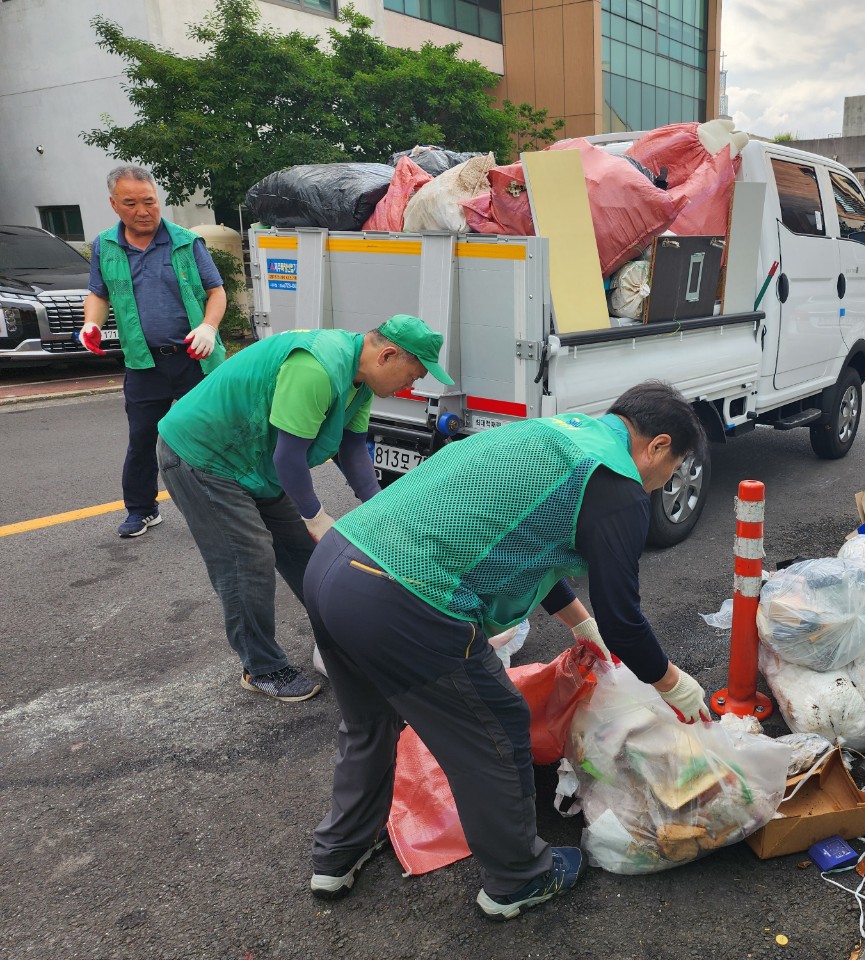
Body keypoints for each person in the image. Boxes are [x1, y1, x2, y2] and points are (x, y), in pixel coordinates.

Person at [303, 380, 711, 919]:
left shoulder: (558, 436)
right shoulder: (617, 484)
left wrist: (580, 624)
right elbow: (626, 620)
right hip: (403, 596)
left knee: (369, 723)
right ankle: (518, 878)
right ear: (658, 446)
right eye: (673, 468)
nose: (664, 484)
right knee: (495, 728)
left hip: (336, 564)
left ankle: (337, 855)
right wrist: (673, 683)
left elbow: (528, 543)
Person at [156, 315, 452, 703]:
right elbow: (290, 457)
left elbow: (351, 450)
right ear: (389, 355)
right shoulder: (316, 367)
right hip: (205, 456)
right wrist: (315, 515)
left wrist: (384, 509)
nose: (411, 386)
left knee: (311, 557)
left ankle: (346, 641)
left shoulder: (358, 383)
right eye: (412, 375)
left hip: (254, 462)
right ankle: (261, 668)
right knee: (247, 559)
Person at [80, 164, 228, 538]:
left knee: (212, 436)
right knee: (142, 439)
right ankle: (143, 510)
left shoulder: (185, 241)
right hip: (144, 363)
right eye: (131, 203)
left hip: (195, 359)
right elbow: (99, 294)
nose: (143, 211)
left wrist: (209, 327)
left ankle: (228, 506)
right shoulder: (105, 246)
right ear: (114, 204)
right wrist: (91, 324)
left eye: (149, 201)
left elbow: (216, 291)